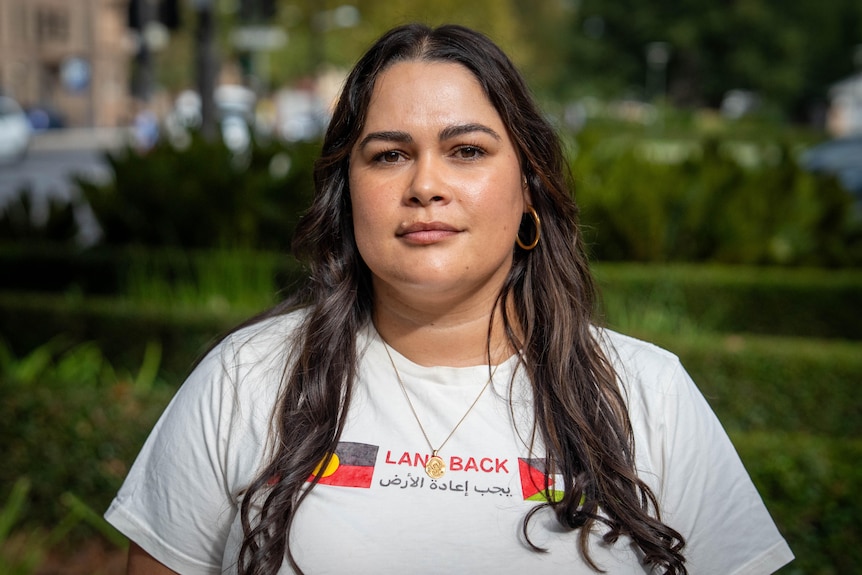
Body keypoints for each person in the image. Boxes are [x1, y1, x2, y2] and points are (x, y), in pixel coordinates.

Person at [105, 23, 794, 575]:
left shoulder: (648, 392)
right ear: (348, 196)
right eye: (388, 154)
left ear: (528, 189)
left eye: (465, 150)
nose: (425, 184)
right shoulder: (245, 378)